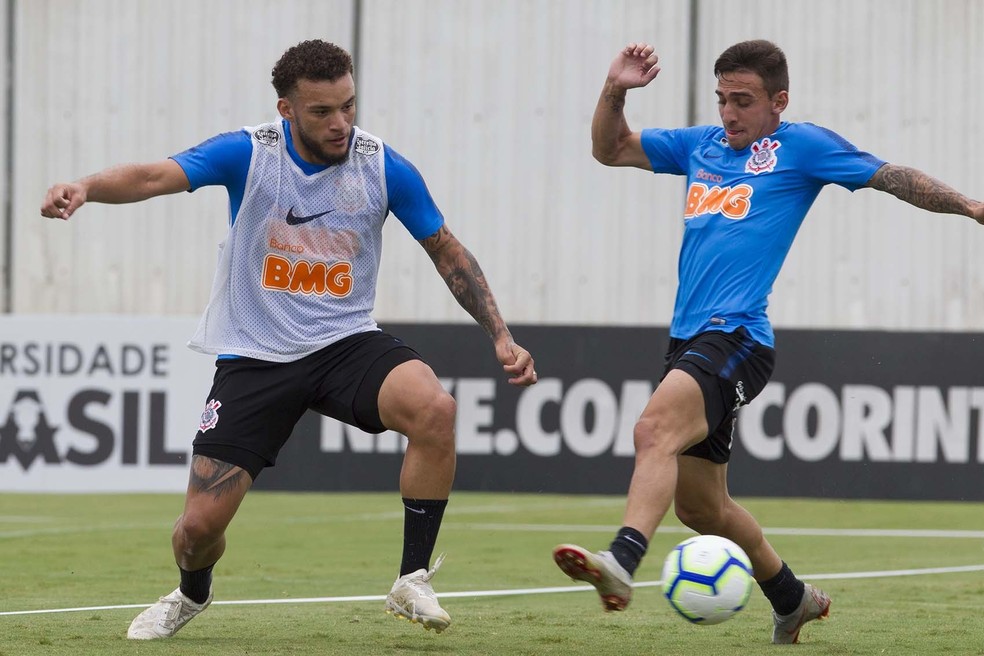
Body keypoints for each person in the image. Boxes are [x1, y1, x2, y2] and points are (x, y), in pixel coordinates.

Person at [40, 39, 537, 639]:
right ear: (286, 109)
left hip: (345, 342)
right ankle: (192, 593)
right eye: (322, 112)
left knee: (435, 408)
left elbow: (447, 252)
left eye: (349, 107)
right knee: (197, 532)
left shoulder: (384, 167)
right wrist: (86, 187)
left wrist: (501, 335)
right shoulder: (248, 154)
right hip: (256, 352)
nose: (341, 124)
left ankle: (412, 580)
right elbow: (152, 175)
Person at [552, 39, 983, 645]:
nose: (730, 113)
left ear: (779, 101)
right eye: (723, 99)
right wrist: (615, 89)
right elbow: (611, 148)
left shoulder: (801, 146)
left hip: (738, 338)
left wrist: (970, 205)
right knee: (703, 510)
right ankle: (792, 598)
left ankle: (622, 562)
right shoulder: (700, 145)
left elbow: (890, 176)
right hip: (688, 340)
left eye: (744, 101)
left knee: (653, 430)